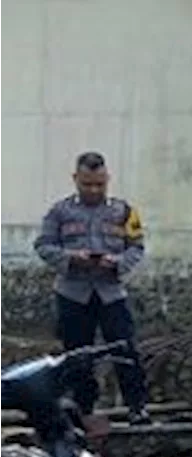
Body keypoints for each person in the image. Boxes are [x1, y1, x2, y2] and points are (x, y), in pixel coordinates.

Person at [34, 151, 151, 424]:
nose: (94, 190)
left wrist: (118, 263)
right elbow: (43, 245)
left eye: (99, 184)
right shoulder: (59, 212)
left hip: (111, 292)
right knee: (77, 353)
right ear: (76, 179)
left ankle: (137, 406)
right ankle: (83, 408)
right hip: (73, 293)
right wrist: (70, 259)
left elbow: (137, 247)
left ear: (107, 179)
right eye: (87, 184)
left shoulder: (123, 211)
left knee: (125, 349)